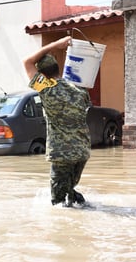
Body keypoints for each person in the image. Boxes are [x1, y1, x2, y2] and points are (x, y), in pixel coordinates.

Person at [23, 36, 91, 207]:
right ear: (57, 69)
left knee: (58, 204)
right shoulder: (79, 89)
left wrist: (55, 44)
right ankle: (76, 199)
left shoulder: (47, 89)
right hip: (82, 151)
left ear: (43, 75)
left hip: (61, 154)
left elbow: (27, 62)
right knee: (69, 191)